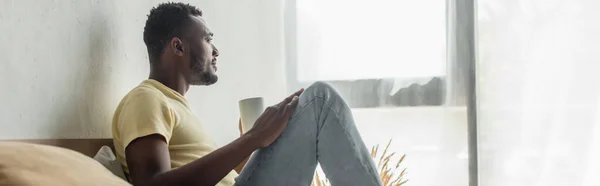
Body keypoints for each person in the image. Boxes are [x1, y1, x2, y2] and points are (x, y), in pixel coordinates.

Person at [112, 2, 383, 186]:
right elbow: (152, 183)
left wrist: (252, 147)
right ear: (178, 47)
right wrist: (253, 139)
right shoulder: (145, 98)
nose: (215, 51)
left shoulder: (176, 106)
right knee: (319, 101)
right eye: (207, 39)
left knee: (313, 106)